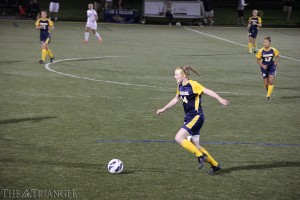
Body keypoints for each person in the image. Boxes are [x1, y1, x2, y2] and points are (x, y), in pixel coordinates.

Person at [156, 66, 229, 174]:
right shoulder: (180, 85)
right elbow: (176, 99)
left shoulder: (193, 84)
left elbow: (208, 91)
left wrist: (220, 99)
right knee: (195, 145)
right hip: (189, 118)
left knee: (178, 137)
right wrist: (164, 108)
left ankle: (200, 156)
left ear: (183, 75)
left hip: (197, 116)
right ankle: (215, 165)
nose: (174, 77)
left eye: (176, 75)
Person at [256, 37, 280, 101]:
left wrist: (276, 62)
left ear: (269, 43)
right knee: (266, 84)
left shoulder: (273, 50)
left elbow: (278, 57)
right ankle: (268, 89)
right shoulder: (261, 51)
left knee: (271, 81)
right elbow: (257, 60)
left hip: (272, 67)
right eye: (264, 42)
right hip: (264, 68)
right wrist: (262, 65)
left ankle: (268, 96)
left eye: (266, 42)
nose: (265, 43)